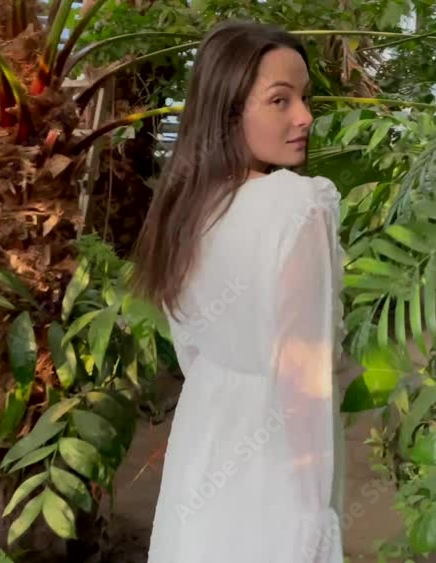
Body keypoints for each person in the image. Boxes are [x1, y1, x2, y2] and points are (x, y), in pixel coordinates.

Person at [129, 19, 346, 563]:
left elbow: (191, 350)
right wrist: (314, 519)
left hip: (201, 443)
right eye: (280, 100)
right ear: (229, 110)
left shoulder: (187, 210)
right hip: (275, 463)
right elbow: (303, 380)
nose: (304, 117)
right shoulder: (296, 206)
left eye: (304, 98)